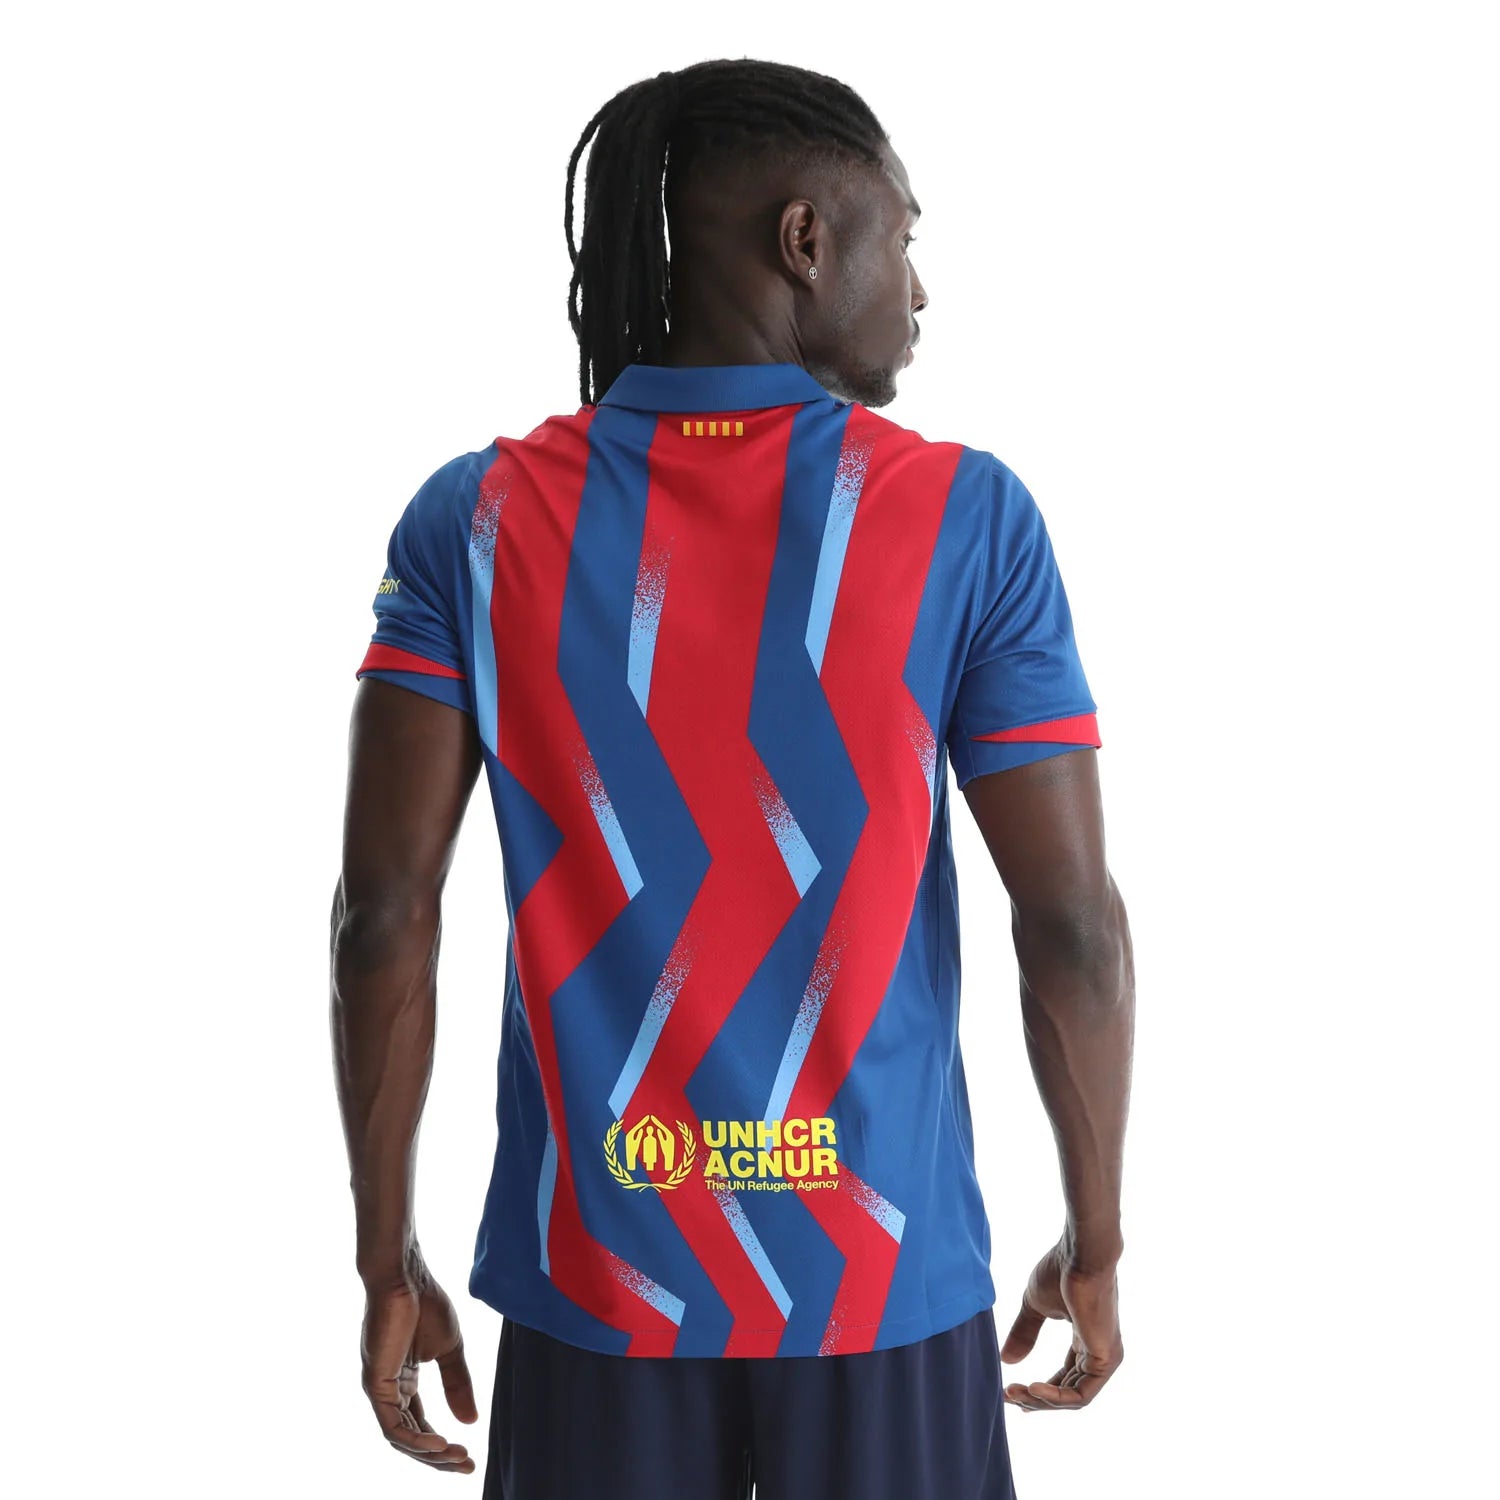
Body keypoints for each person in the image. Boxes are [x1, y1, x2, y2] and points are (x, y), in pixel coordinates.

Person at [330, 56, 1134, 1500]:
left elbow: (381, 920)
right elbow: (1072, 928)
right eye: (903, 236)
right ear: (805, 238)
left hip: (599, 1288)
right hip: (881, 1283)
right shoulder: (967, 520)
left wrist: (386, 1257)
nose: (920, 291)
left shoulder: (477, 520)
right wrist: (1098, 1238)